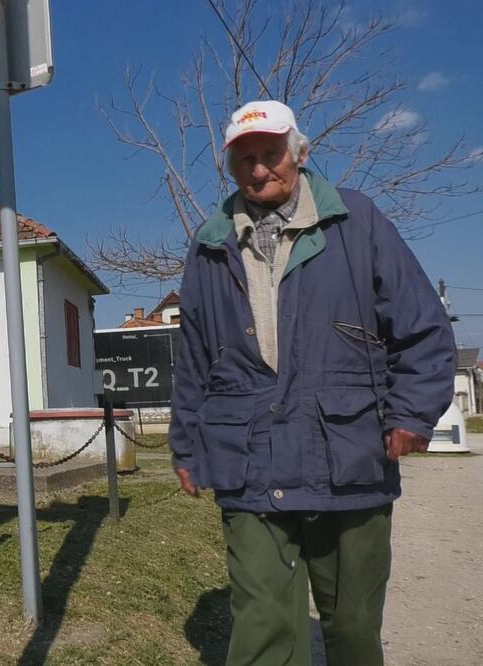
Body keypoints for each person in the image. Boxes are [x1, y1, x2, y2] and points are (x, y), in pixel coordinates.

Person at [169, 100, 455, 666]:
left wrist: (411, 415)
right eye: (242, 160)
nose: (257, 169)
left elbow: (422, 328)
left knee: (351, 630)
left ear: (299, 153)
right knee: (263, 629)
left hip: (348, 455)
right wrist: (185, 444)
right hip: (249, 460)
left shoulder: (357, 219)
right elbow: (194, 359)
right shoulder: (209, 244)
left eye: (269, 154)